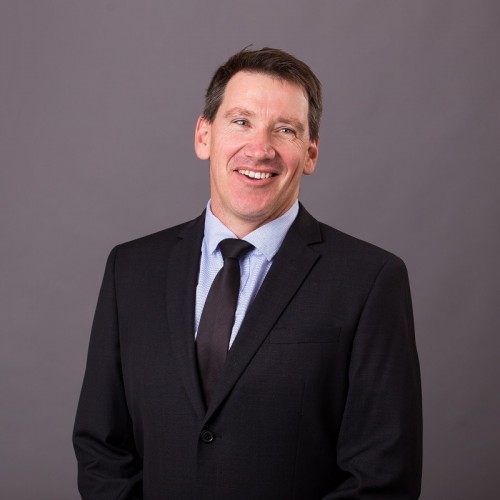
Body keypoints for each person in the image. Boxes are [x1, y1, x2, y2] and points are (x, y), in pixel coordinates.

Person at [73, 47, 422, 499]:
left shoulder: (370, 280)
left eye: (285, 130)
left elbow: (382, 477)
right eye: (241, 121)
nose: (260, 149)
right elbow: (102, 449)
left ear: (310, 153)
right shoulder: (131, 270)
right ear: (204, 136)